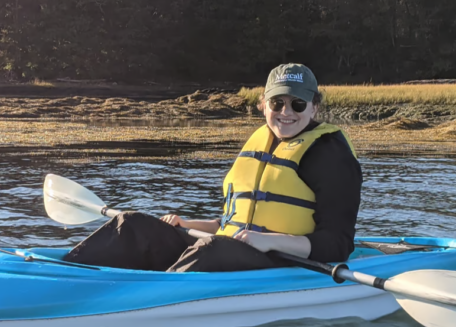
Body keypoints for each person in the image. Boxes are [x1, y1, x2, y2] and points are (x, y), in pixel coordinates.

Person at [64, 63, 362, 272]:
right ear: (262, 104)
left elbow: (337, 244)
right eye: (277, 103)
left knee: (211, 249)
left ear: (314, 107)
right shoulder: (263, 142)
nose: (286, 113)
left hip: (285, 261)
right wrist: (189, 224)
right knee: (132, 224)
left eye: (297, 104)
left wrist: (266, 241)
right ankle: (64, 273)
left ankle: (148, 299)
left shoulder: (330, 154)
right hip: (230, 248)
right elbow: (232, 223)